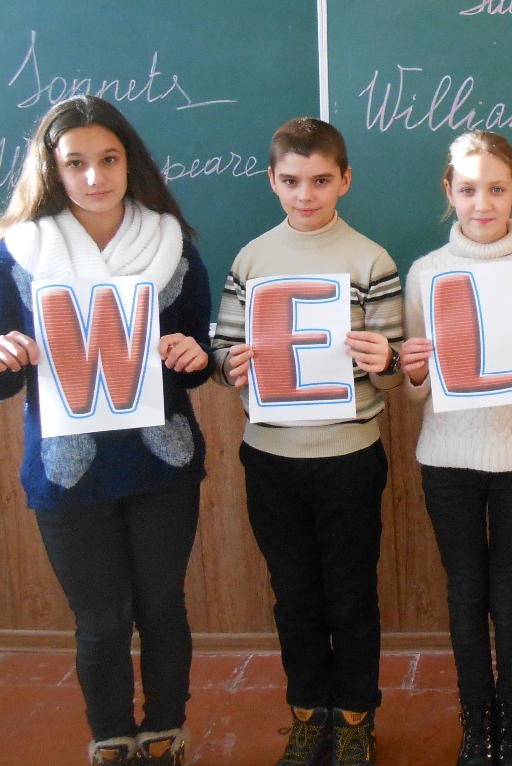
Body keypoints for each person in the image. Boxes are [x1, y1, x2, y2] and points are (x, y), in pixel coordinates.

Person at [0, 96, 214, 766]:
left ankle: (165, 729)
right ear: (52, 170)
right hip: (67, 471)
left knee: (161, 606)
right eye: (75, 163)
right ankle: (110, 736)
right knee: (101, 618)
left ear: (130, 162)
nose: (94, 176)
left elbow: (196, 362)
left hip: (162, 463)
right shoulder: (13, 256)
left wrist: (193, 356)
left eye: (108, 159)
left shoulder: (174, 247)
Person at [212, 118, 403, 766]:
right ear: (273, 180)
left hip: (349, 457)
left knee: (351, 595)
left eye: (321, 180)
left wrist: (385, 358)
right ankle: (307, 714)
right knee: (293, 594)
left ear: (345, 180)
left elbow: (395, 365)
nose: (305, 194)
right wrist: (229, 364)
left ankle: (354, 718)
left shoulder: (371, 260)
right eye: (292, 180)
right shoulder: (251, 259)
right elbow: (223, 349)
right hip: (271, 458)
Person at [400, 131, 512, 766]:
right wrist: (413, 371)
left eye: (496, 189)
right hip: (446, 458)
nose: (483, 203)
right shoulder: (425, 272)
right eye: (469, 189)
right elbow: (415, 388)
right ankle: (475, 720)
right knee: (465, 591)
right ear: (448, 191)